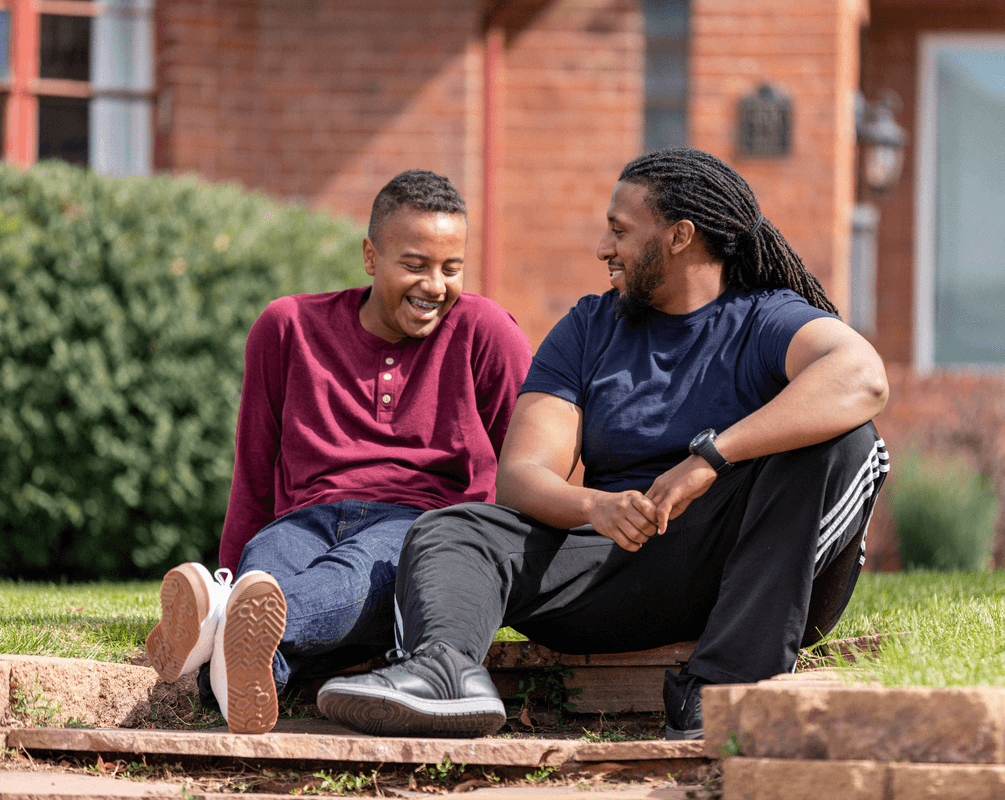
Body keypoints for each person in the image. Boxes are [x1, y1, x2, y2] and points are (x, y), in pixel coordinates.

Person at [316, 148, 890, 740]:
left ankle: (722, 686)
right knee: (453, 529)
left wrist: (710, 459)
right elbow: (522, 474)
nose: (602, 248)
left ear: (679, 236)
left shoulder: (764, 318)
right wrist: (597, 506)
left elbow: (862, 376)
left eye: (620, 230)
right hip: (613, 564)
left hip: (749, 565)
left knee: (842, 441)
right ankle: (443, 671)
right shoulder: (591, 327)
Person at [144, 170, 532, 735]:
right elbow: (252, 475)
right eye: (415, 265)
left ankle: (211, 623)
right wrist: (233, 565)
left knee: (351, 575)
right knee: (265, 575)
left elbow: (530, 460)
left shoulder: (485, 331)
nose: (435, 286)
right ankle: (237, 650)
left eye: (451, 268)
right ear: (371, 257)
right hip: (305, 519)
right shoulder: (288, 328)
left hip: (418, 525)